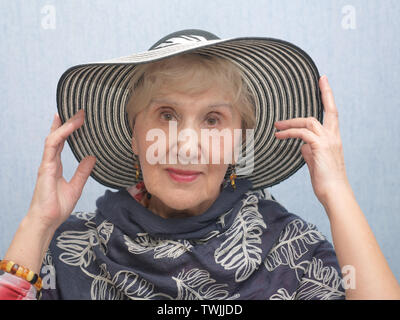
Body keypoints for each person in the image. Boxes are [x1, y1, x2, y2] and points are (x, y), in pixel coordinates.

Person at [0, 29, 399, 300]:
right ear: (135, 136)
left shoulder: (293, 250)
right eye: (167, 115)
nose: (187, 146)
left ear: (237, 144)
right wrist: (39, 222)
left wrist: (337, 193)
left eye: (212, 120)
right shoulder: (69, 246)